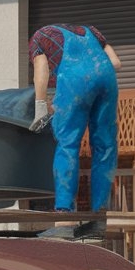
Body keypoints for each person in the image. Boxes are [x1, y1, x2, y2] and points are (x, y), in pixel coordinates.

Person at [29, 24, 122, 214]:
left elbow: (41, 69)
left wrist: (40, 106)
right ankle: (101, 210)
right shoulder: (93, 32)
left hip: (74, 81)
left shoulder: (39, 37)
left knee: (68, 143)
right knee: (105, 145)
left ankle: (65, 209)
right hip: (106, 78)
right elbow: (115, 63)